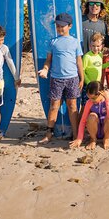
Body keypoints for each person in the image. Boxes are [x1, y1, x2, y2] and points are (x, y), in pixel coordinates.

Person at [37, 13, 83, 143]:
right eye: (57, 26)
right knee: (54, 106)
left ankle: (76, 134)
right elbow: (48, 60)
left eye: (62, 26)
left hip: (72, 78)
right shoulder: (53, 42)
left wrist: (82, 78)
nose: (60, 28)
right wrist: (45, 69)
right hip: (56, 79)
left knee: (72, 106)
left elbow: (79, 61)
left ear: (70, 26)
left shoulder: (75, 42)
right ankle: (49, 134)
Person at [70, 82, 109, 150]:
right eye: (89, 98)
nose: (91, 100)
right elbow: (83, 120)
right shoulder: (89, 102)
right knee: (92, 116)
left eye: (93, 98)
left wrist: (107, 100)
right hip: (94, 131)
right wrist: (79, 139)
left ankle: (106, 139)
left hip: (107, 131)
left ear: (102, 93)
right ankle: (93, 139)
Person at [81, 32, 109, 102]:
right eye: (93, 46)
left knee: (96, 103)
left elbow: (99, 66)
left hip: (97, 85)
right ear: (90, 46)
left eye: (98, 46)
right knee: (86, 104)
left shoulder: (100, 55)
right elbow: (82, 70)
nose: (95, 48)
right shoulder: (87, 56)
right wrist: (88, 82)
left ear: (102, 46)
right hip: (89, 85)